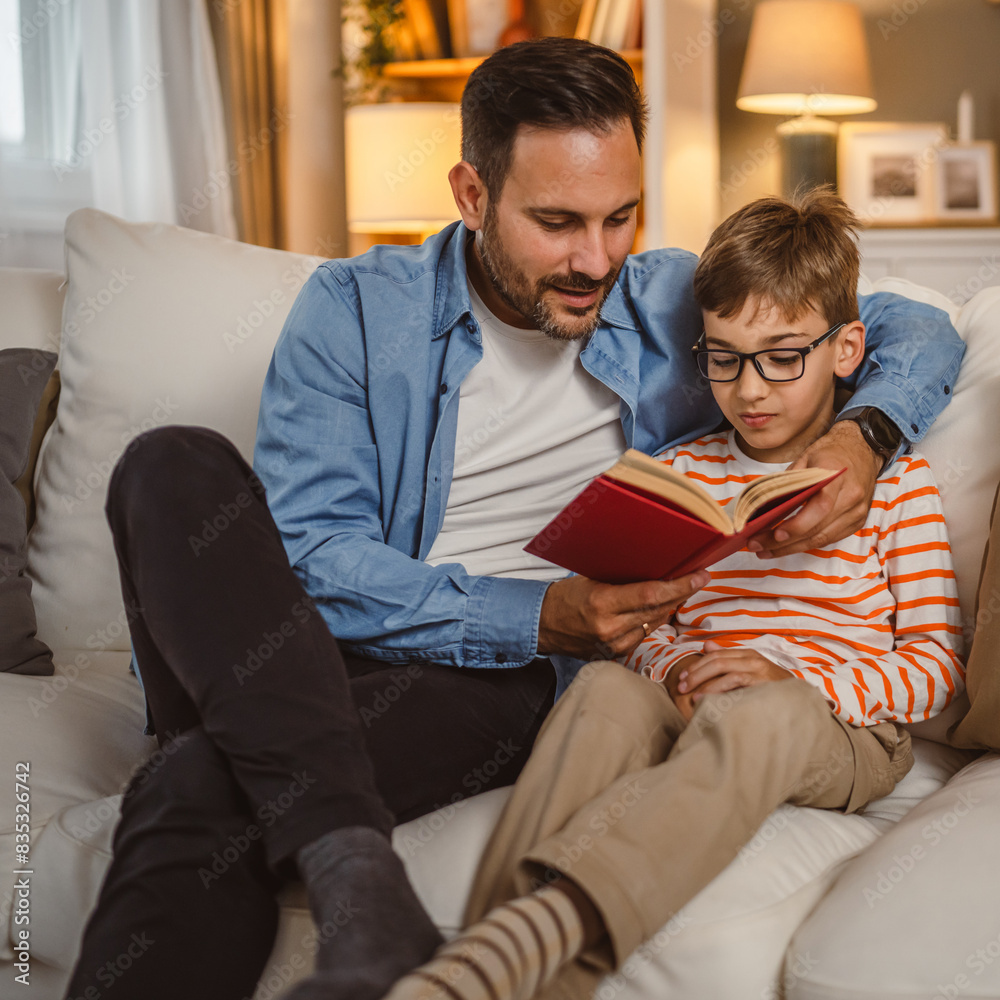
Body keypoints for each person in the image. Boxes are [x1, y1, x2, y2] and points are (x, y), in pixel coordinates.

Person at [63, 39, 965, 1000]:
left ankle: (342, 869)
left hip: (475, 688)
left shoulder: (669, 299)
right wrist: (537, 613)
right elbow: (317, 556)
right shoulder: (359, 311)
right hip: (315, 649)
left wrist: (866, 434)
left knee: (201, 785)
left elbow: (917, 326)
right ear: (471, 194)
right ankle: (344, 850)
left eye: (620, 217)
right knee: (167, 465)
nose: (594, 259)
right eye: (556, 221)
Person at [383, 189, 967, 1000]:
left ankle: (544, 934)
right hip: (694, 695)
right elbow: (654, 627)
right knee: (606, 691)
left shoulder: (896, 486)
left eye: (782, 356)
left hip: (835, 723)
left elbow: (936, 667)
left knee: (758, 711)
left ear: (846, 349)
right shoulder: (685, 474)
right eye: (723, 358)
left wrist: (800, 683)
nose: (750, 389)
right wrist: (677, 661)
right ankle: (493, 955)